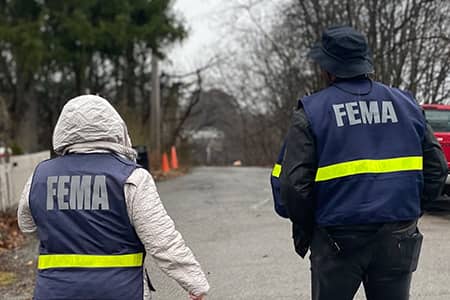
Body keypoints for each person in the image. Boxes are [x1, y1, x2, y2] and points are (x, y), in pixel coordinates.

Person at [280, 25, 447, 300]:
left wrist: (312, 229)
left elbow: (294, 186)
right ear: (365, 63)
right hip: (398, 236)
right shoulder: (407, 105)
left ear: (328, 68)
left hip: (336, 238)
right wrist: (408, 214)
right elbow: (437, 169)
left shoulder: (311, 111)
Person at [17, 95, 209, 300]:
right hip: (120, 291)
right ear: (115, 128)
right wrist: (195, 283)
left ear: (63, 130)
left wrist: (63, 229)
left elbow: (26, 224)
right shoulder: (131, 177)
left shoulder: (40, 175)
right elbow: (163, 241)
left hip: (55, 291)